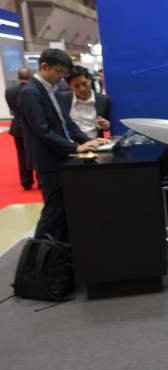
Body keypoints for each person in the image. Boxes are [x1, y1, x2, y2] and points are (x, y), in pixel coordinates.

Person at [17, 48, 110, 242]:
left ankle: (59, 249)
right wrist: (75, 148)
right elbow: (42, 130)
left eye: (63, 73)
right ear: (44, 66)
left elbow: (68, 124)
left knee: (64, 207)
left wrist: (88, 141)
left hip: (62, 157)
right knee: (52, 210)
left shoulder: (55, 91)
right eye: (59, 71)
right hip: (47, 160)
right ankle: (38, 253)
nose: (61, 77)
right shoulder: (30, 92)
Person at [60, 66, 111, 139]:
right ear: (69, 86)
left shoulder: (103, 100)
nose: (82, 89)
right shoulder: (63, 98)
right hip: (71, 142)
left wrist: (105, 125)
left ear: (89, 79)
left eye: (84, 83)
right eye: (76, 86)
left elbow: (108, 126)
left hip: (96, 141)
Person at [5, 67, 34, 190]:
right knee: (37, 153)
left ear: (18, 77)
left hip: (18, 126)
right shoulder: (33, 90)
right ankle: (40, 180)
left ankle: (26, 181)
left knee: (21, 155)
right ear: (30, 77)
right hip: (33, 127)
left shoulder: (10, 91)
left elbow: (11, 108)